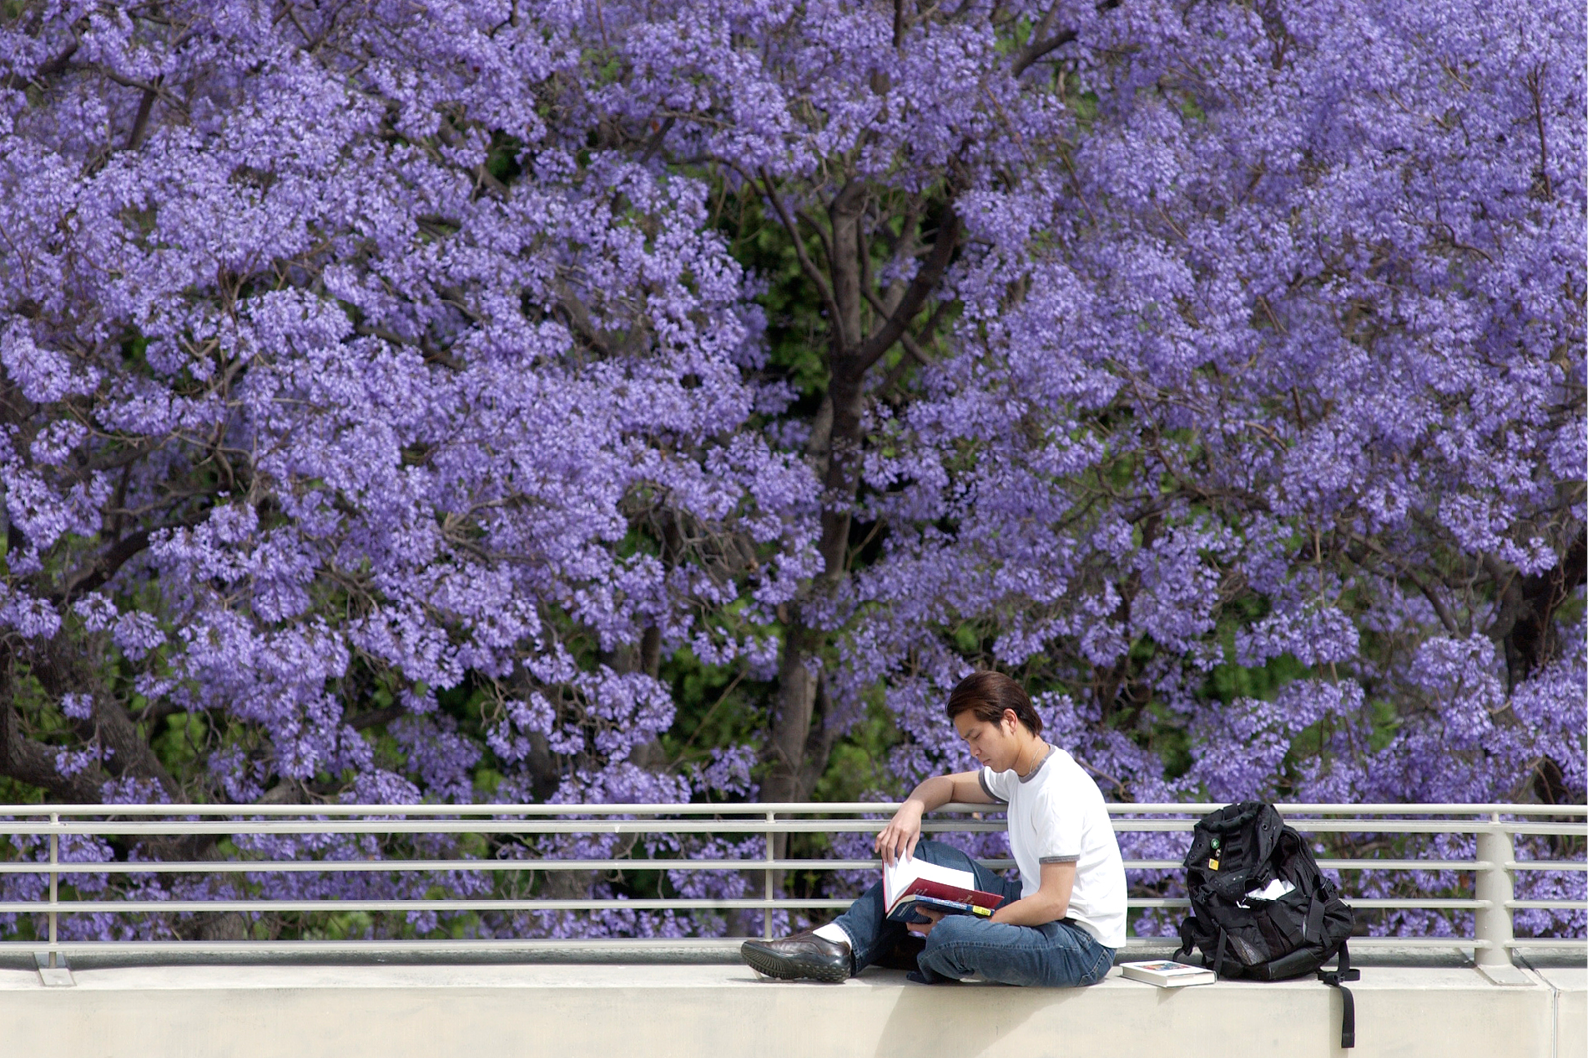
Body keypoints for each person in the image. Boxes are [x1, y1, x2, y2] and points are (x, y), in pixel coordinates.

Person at [740, 671, 1126, 986]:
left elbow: (1053, 902)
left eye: (976, 736)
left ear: (1009, 720)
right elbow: (949, 784)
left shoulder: (1056, 788)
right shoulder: (1018, 774)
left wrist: (974, 922)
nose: (973, 751)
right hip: (1037, 911)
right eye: (966, 740)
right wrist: (913, 807)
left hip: (1077, 945)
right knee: (921, 857)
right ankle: (837, 944)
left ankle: (904, 945)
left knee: (950, 935)